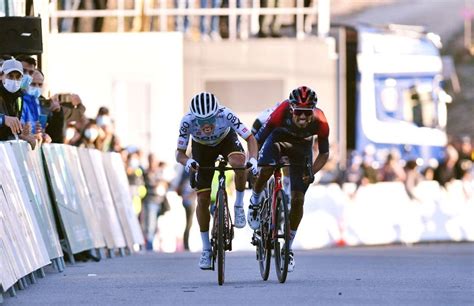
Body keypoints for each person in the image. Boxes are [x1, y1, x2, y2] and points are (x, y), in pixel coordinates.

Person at [248, 85, 329, 272]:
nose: (302, 117)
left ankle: (288, 248)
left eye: (307, 113)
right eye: (298, 112)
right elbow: (258, 140)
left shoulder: (321, 121)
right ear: (291, 109)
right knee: (267, 168)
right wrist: (253, 162)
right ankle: (255, 200)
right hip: (277, 141)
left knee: (298, 200)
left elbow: (324, 154)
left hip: (301, 150)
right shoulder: (280, 112)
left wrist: (312, 171)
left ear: (313, 111)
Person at [175, 91, 258, 269]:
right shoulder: (187, 121)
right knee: (202, 199)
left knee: (239, 162)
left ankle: (238, 205)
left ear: (217, 113)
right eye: (201, 120)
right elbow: (179, 153)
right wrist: (188, 162)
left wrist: (253, 159)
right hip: (202, 148)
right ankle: (206, 248)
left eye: (210, 119)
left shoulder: (226, 114)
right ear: (193, 117)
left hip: (225, 140)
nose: (206, 124)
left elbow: (250, 138)